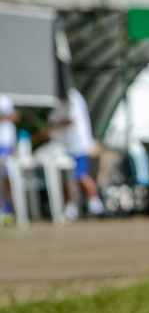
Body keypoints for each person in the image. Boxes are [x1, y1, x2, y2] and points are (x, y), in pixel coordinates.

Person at [37, 87, 104, 220]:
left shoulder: (72, 97)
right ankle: (71, 208)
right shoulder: (61, 97)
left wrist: (51, 129)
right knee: (68, 178)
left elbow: (70, 120)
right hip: (66, 146)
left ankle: (95, 205)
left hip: (77, 145)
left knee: (80, 176)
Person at [0, 94, 18, 225]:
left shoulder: (4, 99)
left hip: (6, 144)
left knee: (6, 177)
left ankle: (6, 210)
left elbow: (15, 116)